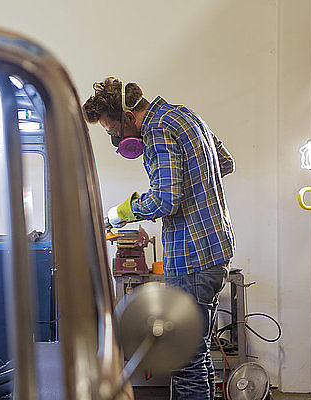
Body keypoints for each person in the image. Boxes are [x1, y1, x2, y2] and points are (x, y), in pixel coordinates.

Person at [83, 77, 235, 400]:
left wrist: (120, 212)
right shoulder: (185, 115)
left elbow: (165, 200)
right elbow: (225, 163)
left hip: (191, 256)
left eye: (114, 133)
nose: (116, 142)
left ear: (128, 116)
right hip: (216, 248)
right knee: (198, 353)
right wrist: (196, 183)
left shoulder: (155, 131)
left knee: (185, 362)